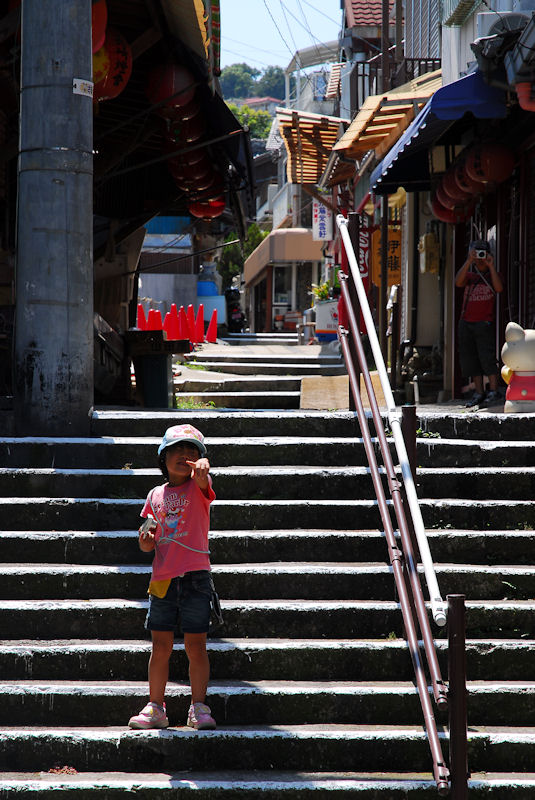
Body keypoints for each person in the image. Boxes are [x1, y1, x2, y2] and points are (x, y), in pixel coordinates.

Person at [128, 423, 217, 731]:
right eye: (176, 450)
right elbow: (145, 540)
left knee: (196, 645)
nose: (184, 455)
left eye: (191, 451)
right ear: (162, 459)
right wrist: (146, 537)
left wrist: (203, 473)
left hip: (195, 577)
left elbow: (206, 486)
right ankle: (155, 706)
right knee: (160, 646)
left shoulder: (199, 487)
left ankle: (199, 706)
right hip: (163, 578)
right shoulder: (154, 495)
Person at [455, 239, 503, 407]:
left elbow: (498, 288)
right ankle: (479, 392)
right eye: (477, 253)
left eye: (482, 253)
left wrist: (490, 266)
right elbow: (458, 282)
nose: (480, 257)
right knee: (470, 359)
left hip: (484, 322)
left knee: (487, 357)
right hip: (466, 322)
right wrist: (469, 261)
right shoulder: (470, 274)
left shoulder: (491, 275)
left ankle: (494, 390)